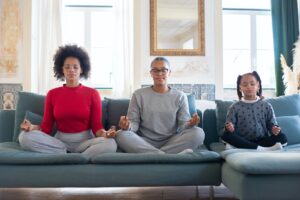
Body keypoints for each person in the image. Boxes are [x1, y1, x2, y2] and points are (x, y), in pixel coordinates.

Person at [18, 44, 117, 158]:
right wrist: (32, 128)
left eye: (75, 67)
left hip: (85, 143)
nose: (71, 70)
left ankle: (77, 158)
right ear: (62, 70)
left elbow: (96, 127)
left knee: (111, 143)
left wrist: (106, 134)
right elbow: (46, 127)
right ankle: (75, 156)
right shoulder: (52, 94)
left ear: (81, 69)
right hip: (60, 143)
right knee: (24, 137)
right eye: (67, 67)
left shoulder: (92, 93)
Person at [116, 57, 205, 154]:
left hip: (171, 141)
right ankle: (165, 155)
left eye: (163, 70)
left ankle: (153, 155)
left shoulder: (180, 96)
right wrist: (127, 126)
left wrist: (190, 124)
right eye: (155, 70)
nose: (159, 74)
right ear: (151, 73)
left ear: (169, 72)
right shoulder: (138, 95)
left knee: (198, 133)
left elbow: (183, 126)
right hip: (144, 142)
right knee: (121, 134)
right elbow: (134, 124)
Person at [221, 71, 288, 151]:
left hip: (262, 140)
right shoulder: (234, 107)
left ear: (258, 86)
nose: (249, 87)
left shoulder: (266, 106)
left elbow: (272, 125)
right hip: (242, 140)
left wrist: (275, 129)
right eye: (245, 85)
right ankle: (262, 149)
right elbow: (229, 126)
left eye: (252, 84)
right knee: (226, 135)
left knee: (282, 137)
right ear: (240, 88)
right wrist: (230, 128)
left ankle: (244, 147)